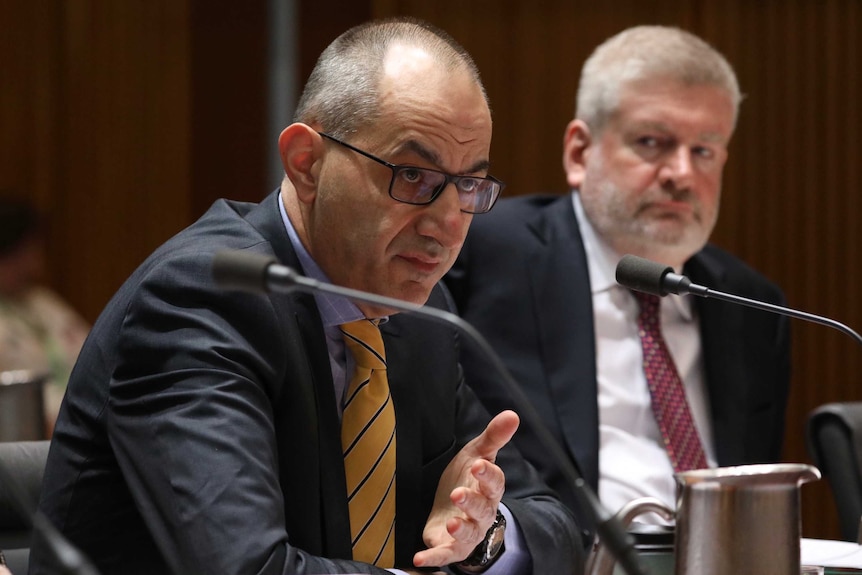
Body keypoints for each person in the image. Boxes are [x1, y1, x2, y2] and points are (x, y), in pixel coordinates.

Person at [30, 17, 582, 575]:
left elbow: (554, 525)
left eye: (468, 185)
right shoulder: (202, 299)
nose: (446, 223)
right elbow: (247, 568)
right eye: (413, 175)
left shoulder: (421, 313)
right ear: (306, 163)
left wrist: (480, 537)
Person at [444, 25, 790, 541]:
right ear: (580, 152)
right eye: (653, 142)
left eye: (704, 151)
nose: (681, 173)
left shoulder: (752, 305)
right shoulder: (481, 256)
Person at [0, 197, 89, 435]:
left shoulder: (43, 302)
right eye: (23, 254)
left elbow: (95, 356)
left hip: (85, 427)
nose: (35, 265)